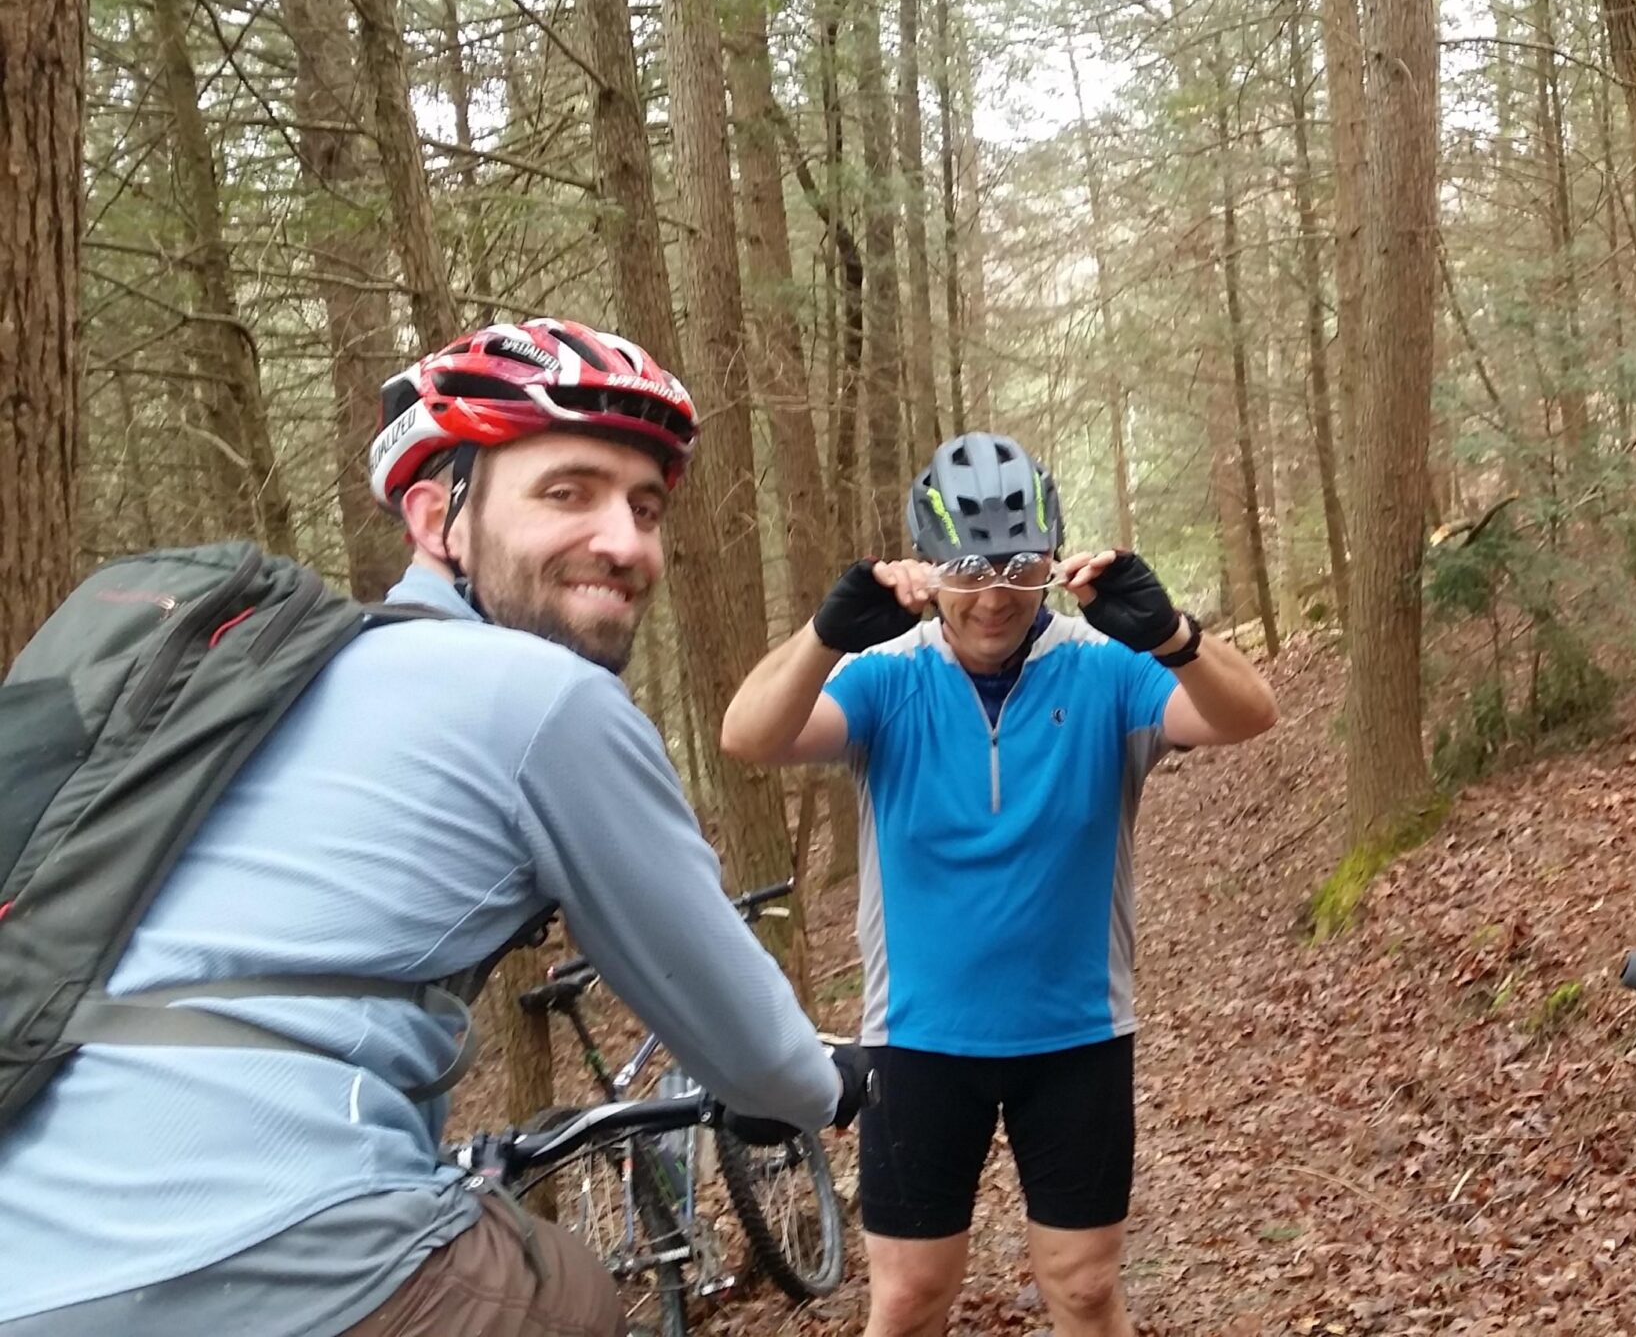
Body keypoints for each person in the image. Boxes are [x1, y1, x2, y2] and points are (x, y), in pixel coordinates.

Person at [0, 318, 866, 1336]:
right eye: (567, 492)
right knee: (570, 1296)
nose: (625, 543)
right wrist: (830, 1084)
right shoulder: (544, 696)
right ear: (434, 518)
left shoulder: (277, 691)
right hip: (271, 1255)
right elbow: (758, 1055)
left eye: (645, 506)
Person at [723, 431, 1279, 1337]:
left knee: (1086, 1289)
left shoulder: (1104, 667)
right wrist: (826, 636)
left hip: (1077, 1036)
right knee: (907, 1298)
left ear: (1053, 560)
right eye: (968, 567)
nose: (993, 596)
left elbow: (1248, 714)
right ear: (930, 566)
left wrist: (1172, 637)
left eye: (1019, 566)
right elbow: (748, 738)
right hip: (918, 1040)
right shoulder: (884, 679)